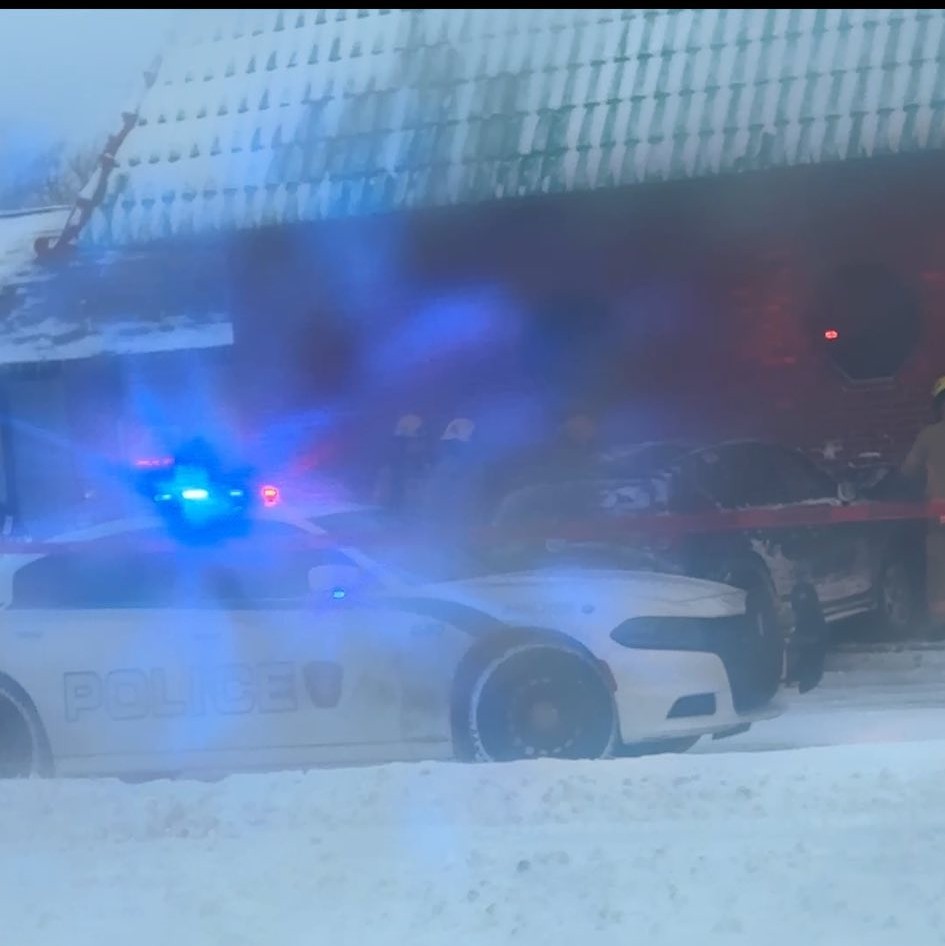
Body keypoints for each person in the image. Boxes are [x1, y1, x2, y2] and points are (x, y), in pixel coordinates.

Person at [901, 375, 945, 631]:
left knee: (940, 570)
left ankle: (940, 624)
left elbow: (909, 471)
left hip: (939, 518)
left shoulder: (929, 435)